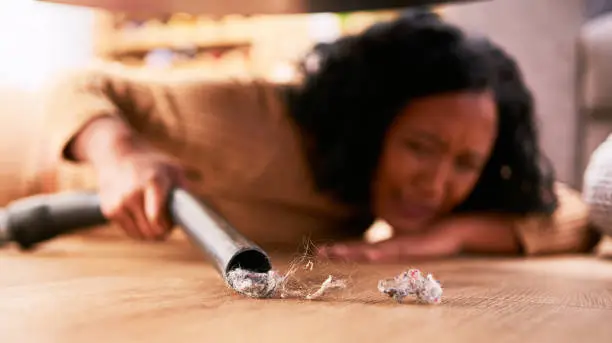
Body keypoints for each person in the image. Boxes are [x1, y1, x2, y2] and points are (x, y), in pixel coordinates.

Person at [43, 10, 596, 262]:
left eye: (466, 163)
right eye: (419, 148)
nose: (436, 182)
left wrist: (443, 237)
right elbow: (76, 81)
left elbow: (575, 213)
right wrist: (121, 155)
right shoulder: (253, 117)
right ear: (373, 122)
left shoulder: (404, 199)